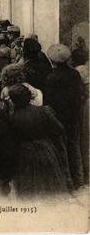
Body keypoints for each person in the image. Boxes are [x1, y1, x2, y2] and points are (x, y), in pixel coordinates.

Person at [8, 84, 71, 198]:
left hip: (24, 155)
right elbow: (59, 128)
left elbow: (12, 141)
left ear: (13, 100)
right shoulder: (43, 111)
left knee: (30, 191)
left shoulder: (12, 119)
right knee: (51, 187)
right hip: (46, 150)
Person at [44, 44, 84, 189]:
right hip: (73, 115)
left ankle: (67, 182)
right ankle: (79, 179)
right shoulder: (75, 74)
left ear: (53, 60)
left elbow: (49, 101)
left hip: (59, 117)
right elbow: (79, 94)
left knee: (61, 148)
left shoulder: (51, 77)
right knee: (74, 147)